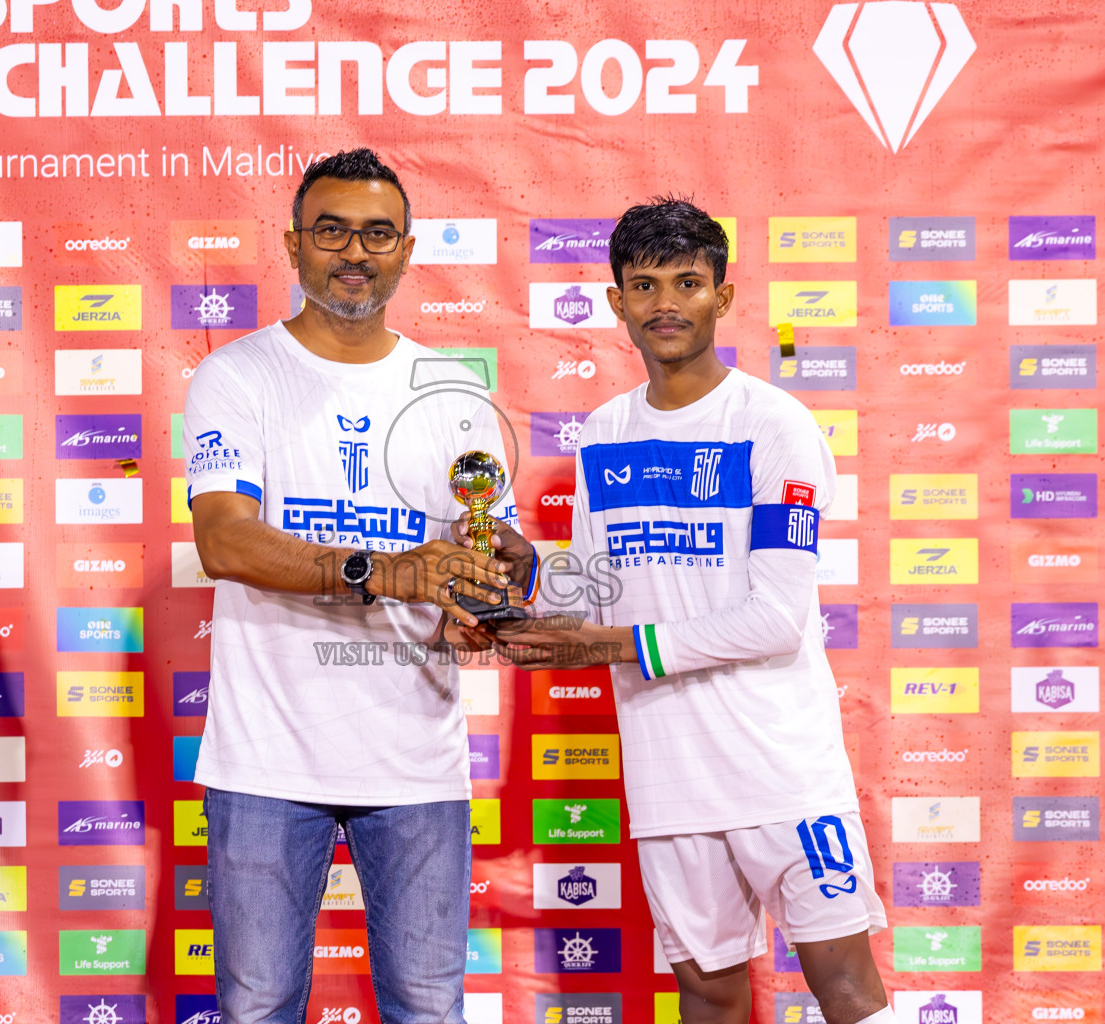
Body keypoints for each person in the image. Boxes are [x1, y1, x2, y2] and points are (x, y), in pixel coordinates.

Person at [492, 198, 891, 1024]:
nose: (665, 303)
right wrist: (533, 577)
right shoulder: (603, 431)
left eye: (687, 282)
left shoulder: (774, 424)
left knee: (845, 987)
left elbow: (776, 618)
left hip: (781, 767)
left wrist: (608, 645)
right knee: (707, 995)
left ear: (724, 296)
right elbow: (604, 583)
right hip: (669, 769)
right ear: (618, 304)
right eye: (644, 285)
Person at [181, 148, 528, 1024]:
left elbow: (490, 537)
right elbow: (226, 541)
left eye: (377, 234)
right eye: (331, 230)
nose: (355, 252)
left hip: (415, 754)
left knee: (427, 1008)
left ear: (407, 251)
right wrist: (393, 572)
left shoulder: (451, 390)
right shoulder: (238, 374)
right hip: (267, 756)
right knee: (258, 1007)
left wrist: (500, 578)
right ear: (294, 246)